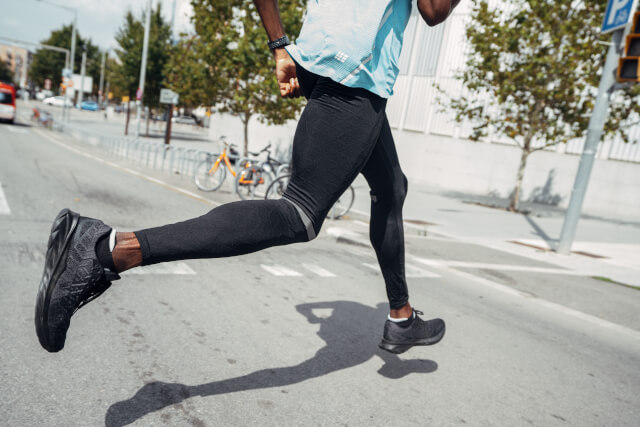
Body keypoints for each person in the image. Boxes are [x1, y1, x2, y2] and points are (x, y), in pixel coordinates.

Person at [34, 0, 460, 354]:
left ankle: (400, 318)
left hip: (325, 63)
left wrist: (280, 46)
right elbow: (433, 9)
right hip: (355, 75)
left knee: (391, 187)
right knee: (300, 215)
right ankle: (108, 249)